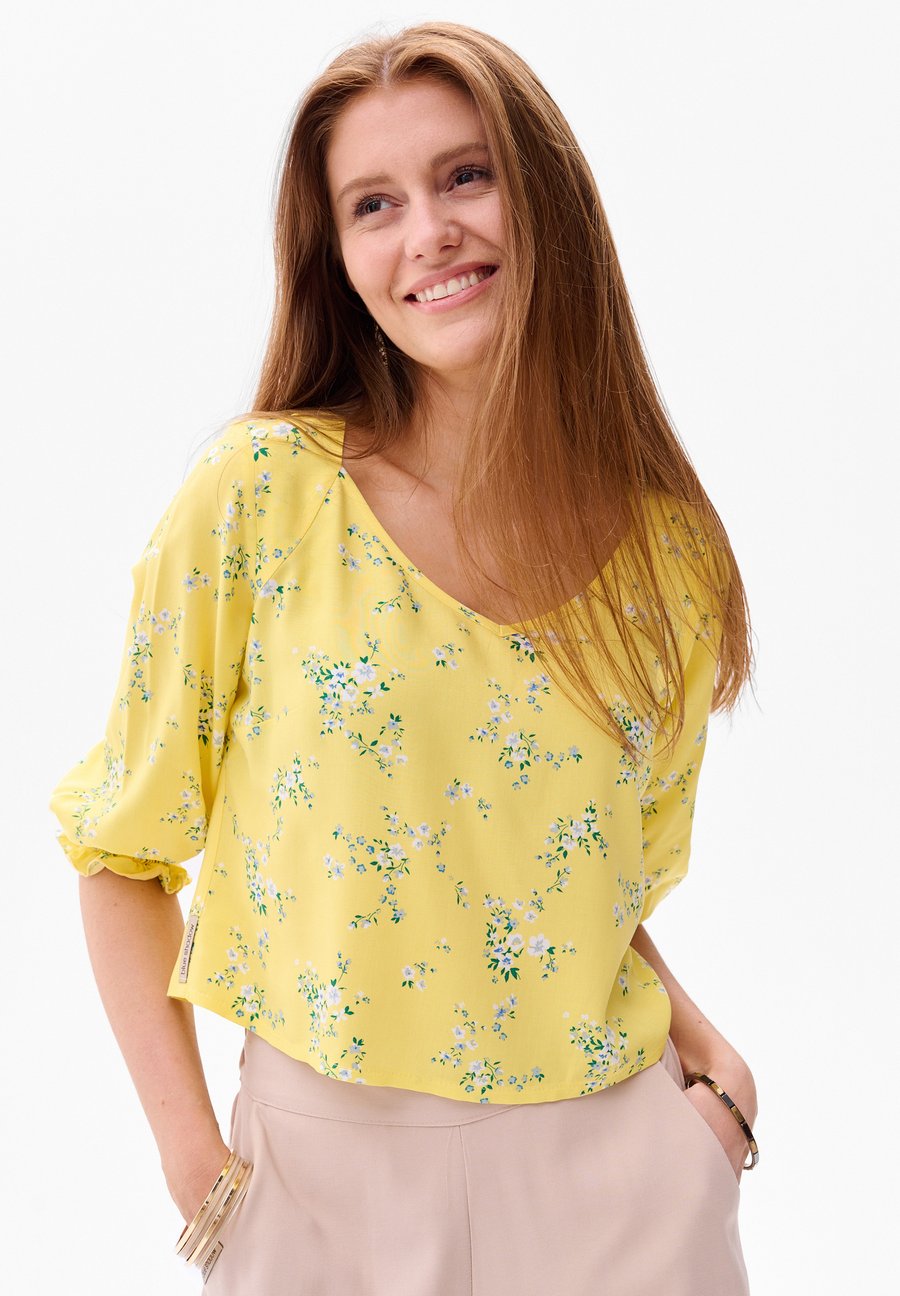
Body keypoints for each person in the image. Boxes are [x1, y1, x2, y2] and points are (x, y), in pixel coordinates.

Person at [49, 20, 759, 1295]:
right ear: (337, 256)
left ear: (545, 201)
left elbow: (583, 884)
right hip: (323, 1192)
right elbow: (120, 853)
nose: (427, 231)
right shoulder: (262, 497)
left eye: (465, 176)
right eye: (373, 204)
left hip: (624, 1183)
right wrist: (197, 1168)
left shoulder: (669, 554)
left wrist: (704, 1088)